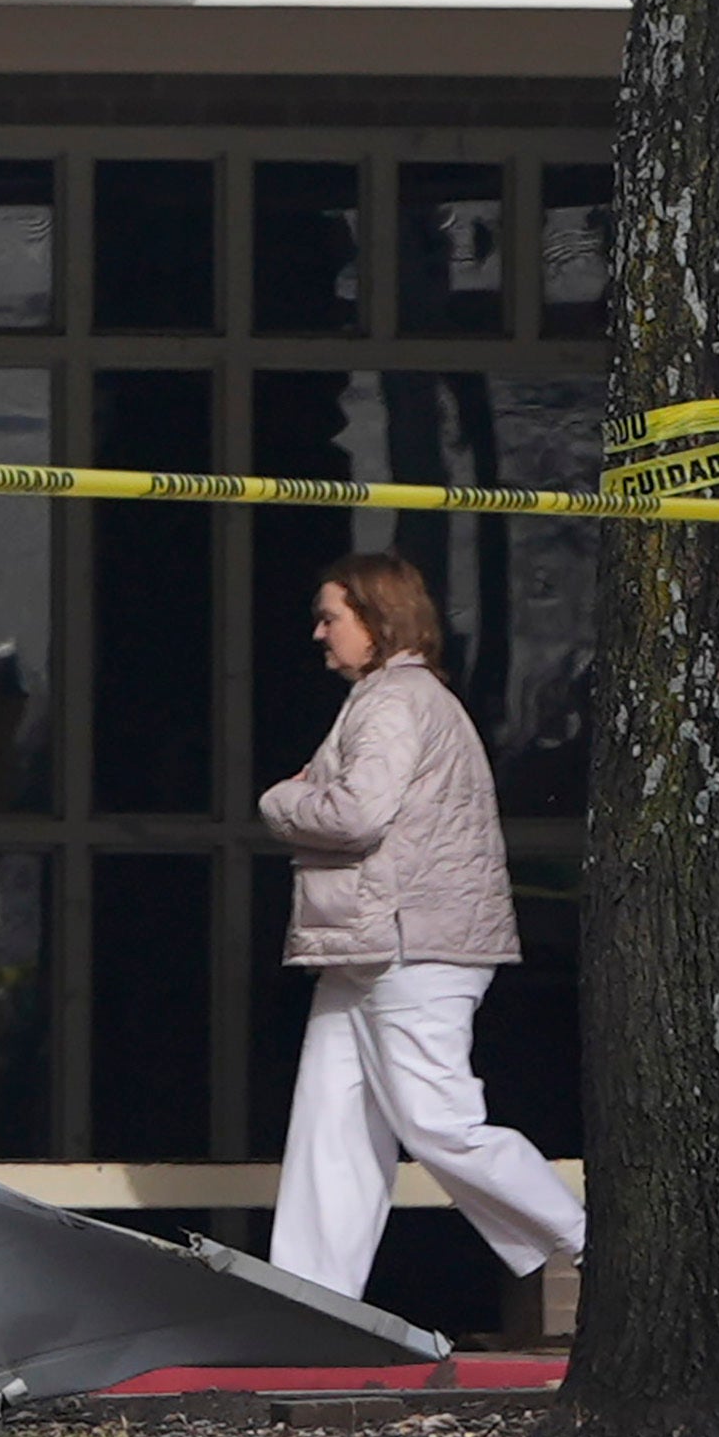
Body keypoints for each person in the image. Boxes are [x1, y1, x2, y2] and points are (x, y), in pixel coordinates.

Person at [257, 551, 586, 1302]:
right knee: (332, 1126)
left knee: (436, 1121)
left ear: (375, 620)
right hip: (380, 942)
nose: (318, 633)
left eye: (331, 616)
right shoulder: (407, 698)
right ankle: (311, 1299)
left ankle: (591, 1240)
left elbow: (354, 810)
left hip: (408, 943)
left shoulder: (391, 702)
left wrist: (280, 802)